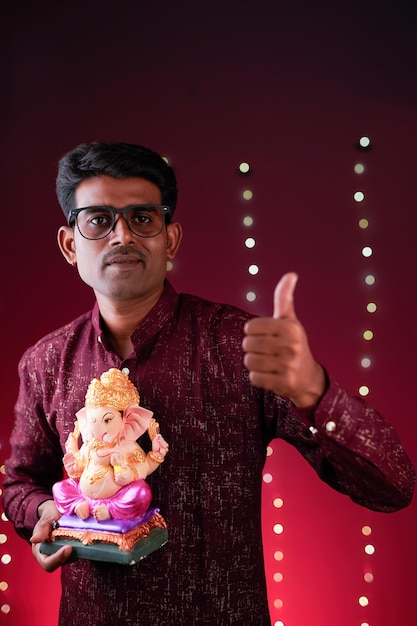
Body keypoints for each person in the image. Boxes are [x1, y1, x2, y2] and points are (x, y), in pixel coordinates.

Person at [3, 140, 415, 626]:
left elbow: (393, 487)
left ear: (170, 239)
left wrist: (315, 391)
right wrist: (49, 513)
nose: (121, 237)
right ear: (71, 245)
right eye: (98, 220)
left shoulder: (239, 346)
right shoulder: (46, 362)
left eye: (142, 218)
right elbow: (19, 483)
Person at [53, 367, 168, 522]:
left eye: (107, 420)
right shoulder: (89, 446)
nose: (99, 430)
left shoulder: (126, 447)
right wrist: (74, 460)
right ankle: (78, 504)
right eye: (92, 421)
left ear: (128, 420)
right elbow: (80, 469)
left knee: (141, 493)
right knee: (59, 488)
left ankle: (111, 510)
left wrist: (130, 471)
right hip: (85, 495)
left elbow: (145, 467)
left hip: (117, 497)